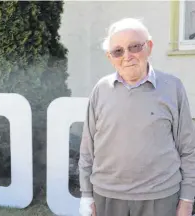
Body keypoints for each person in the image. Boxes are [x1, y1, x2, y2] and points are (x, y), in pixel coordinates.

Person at [78, 18, 195, 216]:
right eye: (118, 51)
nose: (127, 56)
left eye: (135, 46)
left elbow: (188, 148)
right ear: (110, 57)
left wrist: (187, 198)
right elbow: (88, 147)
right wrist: (86, 195)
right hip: (107, 197)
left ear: (149, 47)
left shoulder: (173, 87)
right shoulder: (101, 89)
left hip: (161, 198)